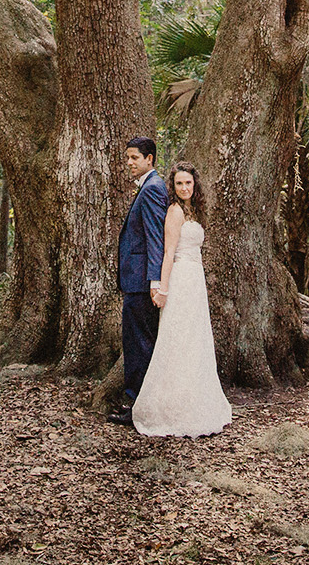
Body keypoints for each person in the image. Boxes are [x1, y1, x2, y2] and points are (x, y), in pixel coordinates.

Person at [132, 163, 232, 437]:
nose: (184, 188)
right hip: (179, 279)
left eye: (188, 183)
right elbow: (168, 252)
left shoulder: (194, 211)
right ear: (173, 187)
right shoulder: (174, 212)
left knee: (195, 339)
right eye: (179, 184)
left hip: (195, 281)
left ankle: (196, 399)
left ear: (194, 185)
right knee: (177, 338)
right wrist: (162, 288)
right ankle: (169, 405)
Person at [110, 137, 169, 426]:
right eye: (128, 158)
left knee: (140, 345)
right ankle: (137, 403)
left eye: (135, 158)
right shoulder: (148, 187)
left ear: (150, 159)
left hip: (142, 282)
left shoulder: (153, 189)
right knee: (136, 344)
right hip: (137, 280)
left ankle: (139, 407)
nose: (130, 163)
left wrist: (154, 281)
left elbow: (156, 238)